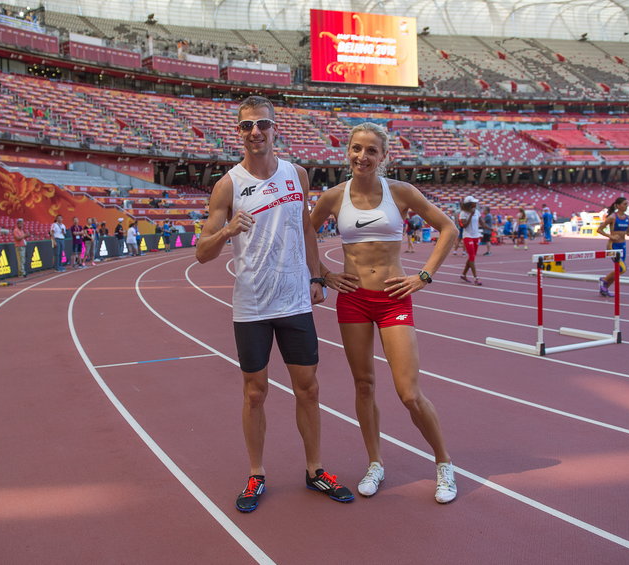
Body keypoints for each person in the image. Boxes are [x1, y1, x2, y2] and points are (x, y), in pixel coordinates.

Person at [196, 96, 353, 514]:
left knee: (309, 388)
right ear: (238, 133)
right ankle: (256, 473)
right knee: (254, 393)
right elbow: (201, 253)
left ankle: (315, 469)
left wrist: (317, 275)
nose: (255, 132)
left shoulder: (296, 174)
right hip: (252, 304)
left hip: (295, 300)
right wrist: (227, 230)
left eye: (262, 124)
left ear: (274, 128)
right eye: (247, 126)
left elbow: (305, 227)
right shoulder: (227, 185)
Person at [309, 122, 458, 504]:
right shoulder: (333, 197)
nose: (362, 156)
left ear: (383, 156)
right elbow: (303, 234)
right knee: (363, 385)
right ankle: (375, 462)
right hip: (354, 300)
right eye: (356, 149)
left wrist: (423, 276)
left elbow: (448, 229)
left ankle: (444, 464)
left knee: (409, 393)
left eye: (371, 150)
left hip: (393, 298)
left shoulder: (401, 192)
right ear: (348, 152)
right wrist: (323, 275)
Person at [596, 197, 629, 297]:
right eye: (624, 204)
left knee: (619, 270)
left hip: (623, 246)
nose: (626, 206)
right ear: (617, 205)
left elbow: (627, 233)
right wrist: (611, 236)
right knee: (622, 268)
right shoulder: (612, 217)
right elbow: (599, 230)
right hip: (613, 246)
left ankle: (604, 288)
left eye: (627, 204)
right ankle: (604, 280)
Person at [458, 196, 484, 285]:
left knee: (472, 257)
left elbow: (481, 222)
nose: (475, 204)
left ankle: (463, 274)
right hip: (467, 236)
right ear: (469, 204)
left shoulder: (477, 211)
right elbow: (464, 226)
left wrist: (489, 228)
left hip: (476, 236)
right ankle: (476, 278)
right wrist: (471, 216)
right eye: (474, 202)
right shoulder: (463, 213)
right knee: (472, 256)